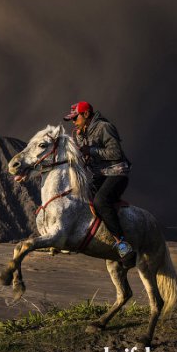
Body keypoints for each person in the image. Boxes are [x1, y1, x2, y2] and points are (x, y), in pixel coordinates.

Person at [63, 101, 134, 261]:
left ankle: (123, 245)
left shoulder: (104, 127)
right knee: (78, 196)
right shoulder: (79, 133)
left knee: (100, 201)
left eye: (75, 118)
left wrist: (91, 150)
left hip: (116, 173)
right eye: (72, 119)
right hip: (99, 176)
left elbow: (115, 152)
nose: (73, 122)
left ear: (86, 114)